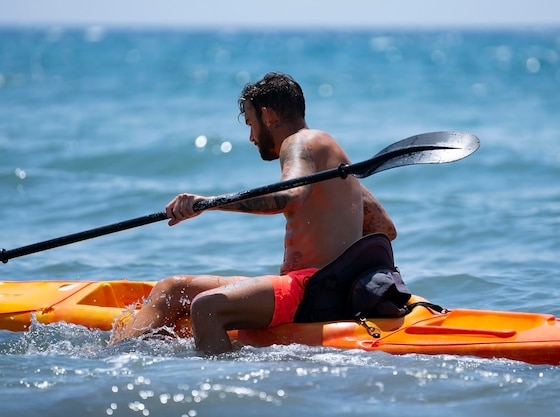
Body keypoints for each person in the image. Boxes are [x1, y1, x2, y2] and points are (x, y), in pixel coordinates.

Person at [110, 72, 397, 354]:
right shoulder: (332, 156)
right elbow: (384, 227)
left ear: (268, 115)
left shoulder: (298, 143)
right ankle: (123, 354)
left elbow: (289, 197)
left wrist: (207, 204)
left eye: (251, 123)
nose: (251, 137)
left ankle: (217, 387)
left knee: (206, 308)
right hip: (321, 287)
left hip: (310, 291)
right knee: (173, 288)